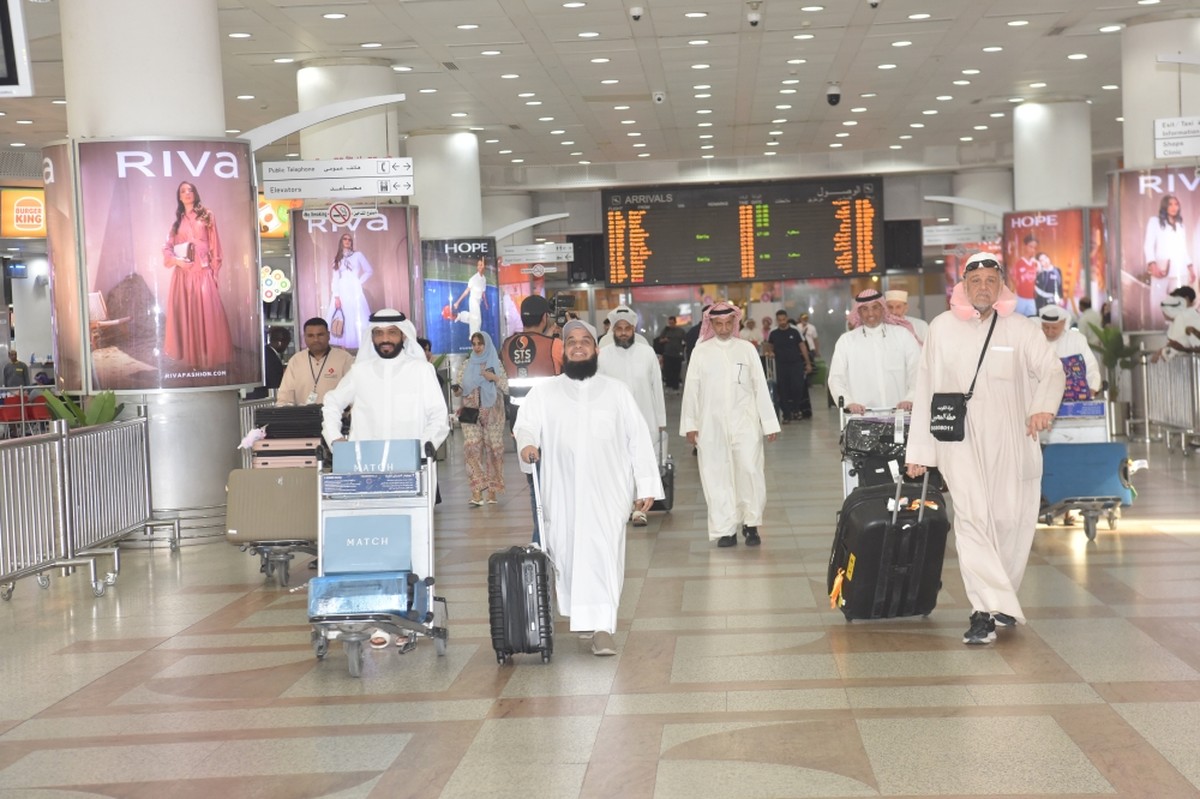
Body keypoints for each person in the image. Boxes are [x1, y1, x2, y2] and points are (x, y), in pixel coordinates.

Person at [905, 252, 1065, 646]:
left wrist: (1042, 407)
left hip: (1012, 440)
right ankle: (982, 612)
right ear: (962, 285)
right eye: (975, 281)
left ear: (1001, 285)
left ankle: (1002, 599)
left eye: (990, 281)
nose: (982, 288)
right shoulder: (941, 329)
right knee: (973, 522)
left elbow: (1051, 370)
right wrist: (920, 452)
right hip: (959, 443)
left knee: (1011, 520)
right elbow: (925, 389)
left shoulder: (1020, 328)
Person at [514, 319, 662, 657]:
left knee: (605, 553)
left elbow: (638, 439)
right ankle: (584, 618)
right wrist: (527, 446)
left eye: (585, 341)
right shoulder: (545, 392)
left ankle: (602, 627)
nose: (578, 346)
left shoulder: (616, 391)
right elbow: (526, 426)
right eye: (571, 342)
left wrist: (647, 483)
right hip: (561, 491)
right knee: (566, 555)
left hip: (608, 491)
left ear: (596, 350)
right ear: (563, 351)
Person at [681, 302, 780, 548]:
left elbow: (759, 385)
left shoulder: (746, 349)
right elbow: (691, 390)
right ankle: (725, 529)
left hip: (745, 422)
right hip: (710, 424)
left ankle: (751, 523)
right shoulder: (700, 352)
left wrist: (769, 423)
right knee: (717, 475)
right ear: (710, 324)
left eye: (728, 323)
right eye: (718, 324)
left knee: (749, 470)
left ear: (735, 323)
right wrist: (690, 425)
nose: (724, 328)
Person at [321, 309, 448, 450]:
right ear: (372, 336)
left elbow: (439, 416)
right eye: (379, 333)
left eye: (392, 332)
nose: (385, 339)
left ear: (404, 335)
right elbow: (332, 402)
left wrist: (422, 448)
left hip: (412, 463)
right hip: (366, 464)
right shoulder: (359, 372)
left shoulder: (422, 370)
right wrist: (334, 438)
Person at [501, 295, 564, 544]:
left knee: (535, 485)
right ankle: (549, 538)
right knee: (557, 485)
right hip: (551, 425)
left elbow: (525, 354)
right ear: (545, 317)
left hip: (520, 426)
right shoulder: (555, 345)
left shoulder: (506, 345)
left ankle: (539, 539)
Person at [598, 305, 667, 527]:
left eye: (628, 328)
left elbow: (657, 387)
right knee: (618, 464)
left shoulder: (647, 353)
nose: (624, 332)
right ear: (613, 330)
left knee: (642, 462)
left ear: (634, 329)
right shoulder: (603, 355)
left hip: (645, 417)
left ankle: (639, 508)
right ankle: (623, 505)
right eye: (619, 329)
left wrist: (661, 420)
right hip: (614, 421)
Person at [161, 180, 233, 369]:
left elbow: (215, 244)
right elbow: (167, 248)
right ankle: (193, 361)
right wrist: (176, 261)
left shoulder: (207, 215)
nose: (187, 193)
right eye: (183, 191)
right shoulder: (177, 223)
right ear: (179, 196)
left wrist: (214, 272)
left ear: (195, 193)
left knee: (209, 315)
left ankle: (208, 360)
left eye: (190, 190)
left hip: (203, 272)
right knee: (188, 315)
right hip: (183, 275)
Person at [828, 289, 921, 414]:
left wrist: (911, 398)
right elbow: (836, 378)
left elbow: (917, 370)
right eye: (865, 309)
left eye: (875, 307)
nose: (870, 313)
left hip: (901, 415)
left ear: (883, 309)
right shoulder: (846, 341)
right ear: (859, 312)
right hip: (861, 417)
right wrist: (848, 403)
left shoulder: (903, 335)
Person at [455, 331, 508, 506]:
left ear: (487, 344)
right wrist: (458, 391)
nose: (477, 347)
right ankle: (476, 491)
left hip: (493, 412)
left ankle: (492, 491)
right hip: (471, 413)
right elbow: (462, 387)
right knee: (471, 448)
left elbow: (507, 387)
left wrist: (493, 378)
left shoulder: (495, 363)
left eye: (480, 344)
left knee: (494, 449)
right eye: (474, 344)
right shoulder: (467, 365)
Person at [276, 317, 354, 406]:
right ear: (304, 337)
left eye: (320, 335)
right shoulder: (296, 360)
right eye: (310, 335)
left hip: (336, 417)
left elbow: (353, 392)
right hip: (303, 417)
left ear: (328, 335)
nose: (316, 339)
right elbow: (285, 396)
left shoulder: (344, 359)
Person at [1144, 194, 1195, 320]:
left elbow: (1183, 249)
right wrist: (1152, 264)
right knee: (1157, 302)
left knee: (1180, 303)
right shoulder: (1154, 222)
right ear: (1165, 206)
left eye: (1176, 204)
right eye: (1170, 204)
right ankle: (1157, 327)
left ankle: (1177, 330)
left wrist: (1191, 268)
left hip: (1180, 271)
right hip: (1161, 269)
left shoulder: (1180, 225)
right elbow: (1148, 244)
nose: (1174, 207)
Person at [1039, 305, 1101, 396]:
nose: (1049, 331)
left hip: (1074, 397)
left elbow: (1091, 366)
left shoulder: (1077, 339)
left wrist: (1092, 388)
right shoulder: (1036, 340)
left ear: (1063, 323)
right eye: (1046, 327)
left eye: (1054, 328)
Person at [327, 233, 374, 350]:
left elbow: (369, 270)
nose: (347, 241)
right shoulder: (337, 258)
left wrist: (358, 282)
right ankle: (343, 347)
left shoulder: (358, 255)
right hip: (341, 291)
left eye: (350, 239)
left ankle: (357, 347)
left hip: (354, 291)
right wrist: (336, 296)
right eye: (345, 239)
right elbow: (335, 279)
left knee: (356, 316)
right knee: (342, 317)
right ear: (341, 241)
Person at [766, 310, 814, 422]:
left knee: (797, 387)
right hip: (781, 365)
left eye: (784, 319)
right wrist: (770, 352)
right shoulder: (774, 333)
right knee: (783, 390)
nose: (782, 322)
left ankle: (796, 409)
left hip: (796, 364)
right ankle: (786, 415)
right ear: (777, 320)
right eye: (779, 320)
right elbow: (769, 346)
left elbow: (802, 347)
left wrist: (807, 363)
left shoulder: (794, 331)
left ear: (787, 318)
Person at [451, 257, 488, 338]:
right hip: (473, 301)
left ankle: (459, 316)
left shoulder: (484, 279)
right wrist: (457, 302)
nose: (480, 267)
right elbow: (466, 291)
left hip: (478, 301)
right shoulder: (473, 279)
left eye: (481, 265)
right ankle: (473, 336)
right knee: (477, 320)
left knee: (473, 318)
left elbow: (483, 292)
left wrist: (485, 303)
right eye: (478, 265)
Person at [655, 316, 686, 391]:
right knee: (668, 371)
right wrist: (665, 340)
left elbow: (685, 340)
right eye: (669, 323)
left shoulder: (680, 331)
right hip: (668, 354)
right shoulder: (666, 331)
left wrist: (682, 349)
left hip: (677, 354)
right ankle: (669, 386)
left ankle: (676, 386)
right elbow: (659, 340)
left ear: (675, 322)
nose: (671, 325)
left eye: (672, 323)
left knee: (676, 371)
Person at [1013, 235, 1038, 316]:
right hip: (1021, 298)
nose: (1033, 250)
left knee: (1033, 320)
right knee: (1019, 321)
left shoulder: (1035, 263)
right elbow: (1013, 280)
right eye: (1030, 246)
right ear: (1025, 246)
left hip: (1031, 298)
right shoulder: (1018, 263)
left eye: (1035, 247)